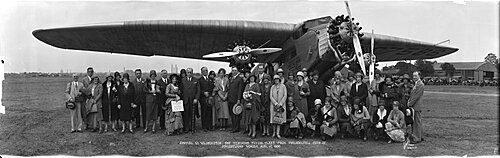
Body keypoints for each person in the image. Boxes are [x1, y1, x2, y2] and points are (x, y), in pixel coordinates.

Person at [181, 68, 200, 133]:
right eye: (188, 72)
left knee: (193, 114)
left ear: (192, 73)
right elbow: (181, 90)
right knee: (186, 114)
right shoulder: (183, 80)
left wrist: (196, 99)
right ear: (186, 73)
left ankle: (193, 127)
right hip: (185, 99)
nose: (189, 73)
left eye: (190, 72)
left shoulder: (196, 80)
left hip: (193, 100)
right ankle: (186, 128)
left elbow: (198, 90)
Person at [408, 71, 424, 143]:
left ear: (419, 76)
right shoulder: (416, 84)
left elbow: (416, 96)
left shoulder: (420, 84)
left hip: (417, 105)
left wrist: (410, 103)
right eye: (413, 76)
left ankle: (417, 138)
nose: (414, 77)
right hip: (415, 105)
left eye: (415, 76)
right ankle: (419, 136)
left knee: (417, 122)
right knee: (417, 121)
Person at [227, 67, 244, 133]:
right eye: (233, 70)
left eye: (235, 70)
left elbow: (240, 90)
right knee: (232, 114)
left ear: (237, 71)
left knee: (236, 114)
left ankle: (236, 128)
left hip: (235, 99)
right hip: (230, 99)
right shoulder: (231, 78)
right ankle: (233, 127)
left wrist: (239, 99)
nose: (233, 72)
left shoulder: (240, 79)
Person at [270, 75, 287, 139]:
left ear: (279, 80)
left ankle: (278, 133)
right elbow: (271, 96)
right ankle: (274, 132)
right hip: (273, 105)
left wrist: (280, 103)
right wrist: (275, 103)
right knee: (274, 119)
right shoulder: (272, 87)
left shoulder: (283, 86)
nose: (276, 80)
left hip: (281, 105)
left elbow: (285, 95)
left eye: (277, 79)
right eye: (275, 79)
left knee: (279, 119)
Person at [199, 67, 214, 131]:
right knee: (204, 112)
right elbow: (198, 89)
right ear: (201, 72)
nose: (206, 72)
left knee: (209, 112)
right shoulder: (200, 80)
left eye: (206, 70)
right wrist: (203, 92)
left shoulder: (210, 79)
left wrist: (212, 92)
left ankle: (209, 126)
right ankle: (204, 127)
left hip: (210, 98)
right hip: (203, 98)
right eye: (204, 71)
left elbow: (213, 87)